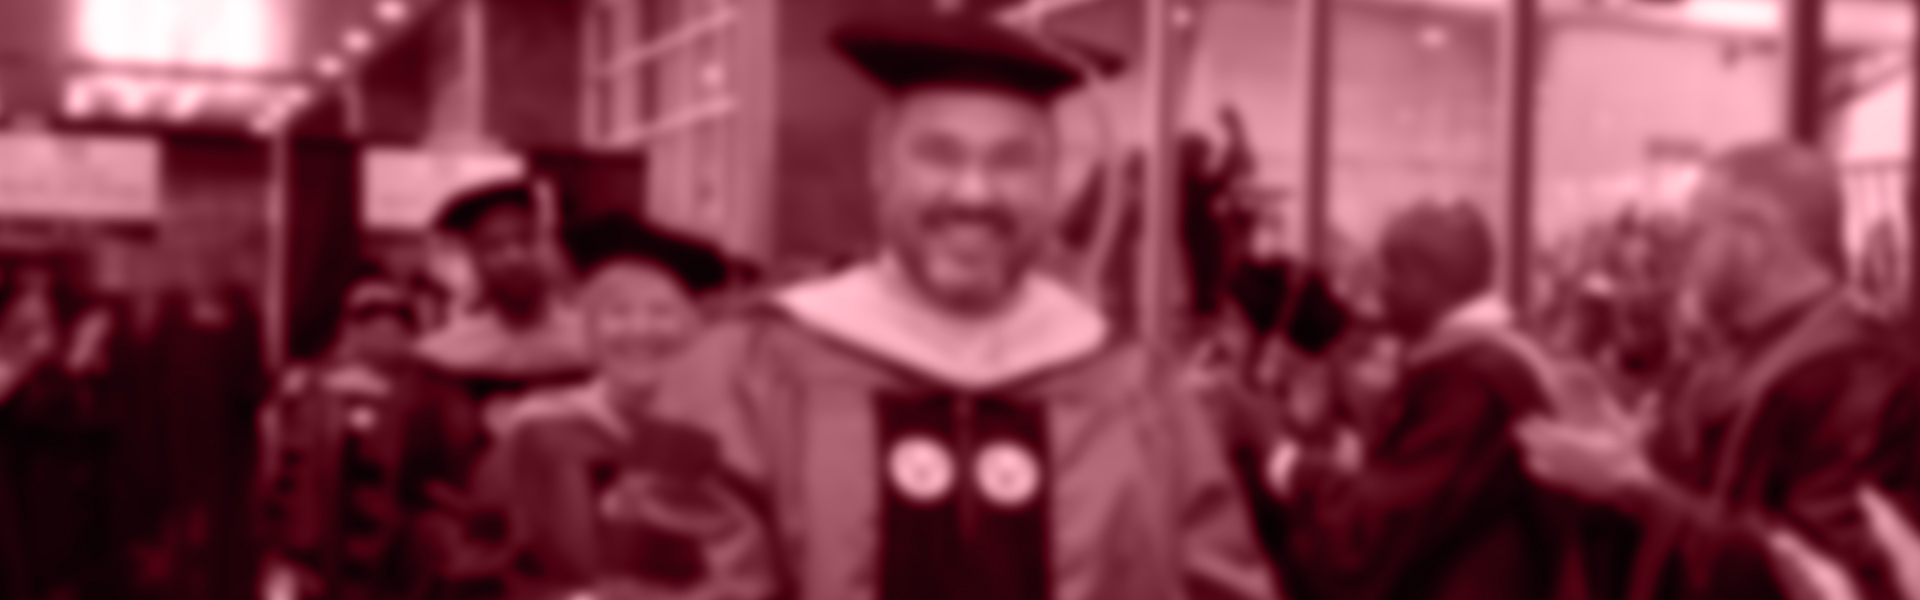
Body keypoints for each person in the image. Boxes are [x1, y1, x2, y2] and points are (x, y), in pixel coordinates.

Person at [636, 13, 1278, 600]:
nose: (975, 193)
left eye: (1013, 162)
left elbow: (1221, 583)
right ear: (879, 165)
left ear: (1051, 182)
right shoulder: (734, 370)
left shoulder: (1139, 389)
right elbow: (657, 573)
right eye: (939, 155)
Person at [1516, 141, 1920, 600]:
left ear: (1755, 241)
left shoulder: (1867, 375)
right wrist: (1621, 450)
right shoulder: (1721, 359)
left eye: (1695, 232)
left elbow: (1825, 578)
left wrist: (1635, 486)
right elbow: (1683, 502)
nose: (1681, 255)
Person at [1263, 201, 1579, 600]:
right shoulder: (1494, 362)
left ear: (1425, 278)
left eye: (1390, 269)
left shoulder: (1471, 385)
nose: (1380, 287)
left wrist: (1289, 464)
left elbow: (1368, 544)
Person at [458, 213, 756, 600]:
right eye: (617, 313)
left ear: (696, 326)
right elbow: (483, 562)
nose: (640, 330)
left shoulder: (734, 436)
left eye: (662, 312)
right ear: (588, 330)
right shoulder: (539, 431)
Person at [257, 273, 481, 600]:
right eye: (371, 318)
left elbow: (453, 465)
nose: (384, 328)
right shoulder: (312, 393)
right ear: (349, 329)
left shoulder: (435, 392)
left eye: (396, 317)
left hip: (402, 555)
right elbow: (285, 479)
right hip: (321, 559)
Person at [415, 180, 593, 400]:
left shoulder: (594, 346)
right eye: (494, 246)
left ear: (551, 248)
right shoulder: (443, 355)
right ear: (474, 259)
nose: (514, 258)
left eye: (527, 240)